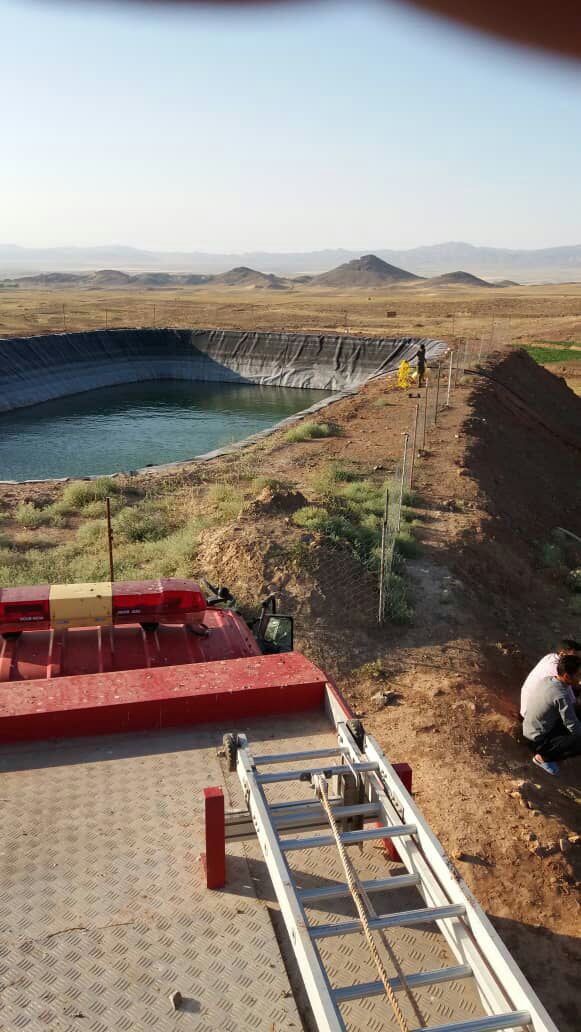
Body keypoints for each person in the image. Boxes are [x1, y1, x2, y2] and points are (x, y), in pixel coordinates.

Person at [522, 655, 581, 775]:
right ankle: (544, 758)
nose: (580, 679)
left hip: (529, 729)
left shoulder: (548, 680)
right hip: (538, 742)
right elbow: (572, 725)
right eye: (578, 675)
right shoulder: (561, 695)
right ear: (567, 676)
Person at [520, 638, 581, 718]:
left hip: (529, 707)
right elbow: (573, 704)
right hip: (535, 717)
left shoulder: (551, 657)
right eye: (575, 657)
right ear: (562, 654)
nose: (578, 661)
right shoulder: (557, 671)